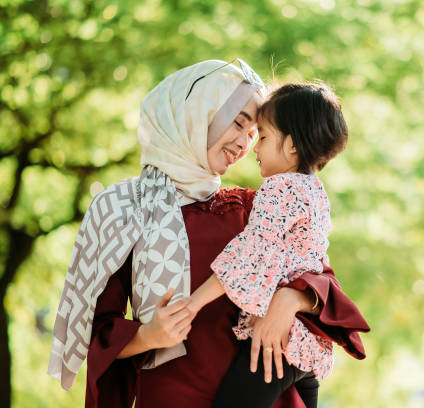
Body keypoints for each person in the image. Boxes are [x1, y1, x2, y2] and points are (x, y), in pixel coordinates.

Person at [48, 59, 370, 408]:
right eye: (239, 124)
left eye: (255, 135)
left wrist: (291, 300)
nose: (245, 145)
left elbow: (322, 280)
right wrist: (147, 335)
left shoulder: (252, 206)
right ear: (198, 113)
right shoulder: (125, 208)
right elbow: (94, 336)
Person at [187, 82, 350, 408]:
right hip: (308, 346)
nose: (254, 148)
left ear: (291, 146)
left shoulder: (279, 189)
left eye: (262, 137)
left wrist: (192, 304)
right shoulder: (315, 191)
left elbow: (249, 253)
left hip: (279, 339)